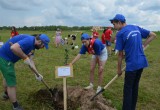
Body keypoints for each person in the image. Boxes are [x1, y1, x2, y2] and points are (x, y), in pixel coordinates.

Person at [110, 14, 156, 110]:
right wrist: (143, 45)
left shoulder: (121, 33)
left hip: (132, 65)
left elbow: (120, 54)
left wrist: (119, 70)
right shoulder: (135, 27)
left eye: (114, 24)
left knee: (128, 89)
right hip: (142, 63)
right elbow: (153, 35)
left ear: (119, 22)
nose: (114, 27)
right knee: (134, 87)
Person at [0, 34, 50, 110]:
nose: (42, 47)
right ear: (39, 41)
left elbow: (30, 61)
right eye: (43, 45)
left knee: (7, 77)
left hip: (7, 58)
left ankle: (6, 94)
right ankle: (15, 106)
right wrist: (25, 57)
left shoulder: (33, 46)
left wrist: (37, 74)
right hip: (5, 58)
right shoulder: (29, 41)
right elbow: (13, 47)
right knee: (11, 82)